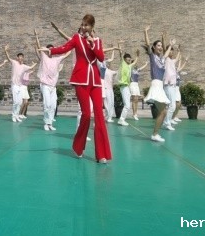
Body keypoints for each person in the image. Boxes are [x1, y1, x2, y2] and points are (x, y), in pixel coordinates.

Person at [41, 14, 111, 163]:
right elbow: (65, 47)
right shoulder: (76, 38)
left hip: (95, 81)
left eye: (86, 25)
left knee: (99, 115)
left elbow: (101, 57)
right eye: (82, 24)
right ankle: (78, 146)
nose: (83, 27)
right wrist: (51, 51)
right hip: (80, 80)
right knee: (86, 114)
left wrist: (92, 43)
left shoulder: (97, 41)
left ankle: (101, 154)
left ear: (92, 26)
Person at [35, 29, 71, 131]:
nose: (50, 51)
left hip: (53, 87)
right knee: (47, 104)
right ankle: (46, 123)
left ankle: (50, 123)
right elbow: (39, 46)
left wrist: (72, 45)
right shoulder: (44, 57)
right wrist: (36, 36)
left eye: (52, 49)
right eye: (49, 49)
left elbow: (67, 54)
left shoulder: (57, 59)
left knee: (53, 105)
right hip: (45, 85)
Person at [143, 25, 174, 142]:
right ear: (154, 47)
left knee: (164, 112)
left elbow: (166, 53)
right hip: (156, 85)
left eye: (161, 46)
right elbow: (148, 44)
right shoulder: (152, 56)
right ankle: (155, 134)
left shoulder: (161, 59)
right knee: (163, 111)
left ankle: (155, 133)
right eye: (158, 45)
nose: (160, 47)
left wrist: (170, 45)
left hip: (160, 86)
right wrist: (145, 32)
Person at [5, 46, 35, 123]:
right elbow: (8, 58)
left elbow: (31, 67)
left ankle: (17, 115)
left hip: (20, 86)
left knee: (19, 102)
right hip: (14, 85)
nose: (21, 58)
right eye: (20, 57)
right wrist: (6, 51)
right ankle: (13, 116)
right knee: (15, 102)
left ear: (23, 58)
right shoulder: (14, 62)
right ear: (17, 58)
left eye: (22, 57)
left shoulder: (24, 66)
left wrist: (35, 64)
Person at [116, 44, 140, 125]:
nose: (129, 60)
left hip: (127, 87)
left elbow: (134, 62)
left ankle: (122, 119)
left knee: (127, 104)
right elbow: (121, 54)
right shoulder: (123, 64)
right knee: (127, 105)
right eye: (128, 59)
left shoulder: (129, 66)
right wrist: (120, 46)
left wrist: (137, 56)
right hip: (123, 86)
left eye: (130, 59)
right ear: (125, 59)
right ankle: (121, 119)